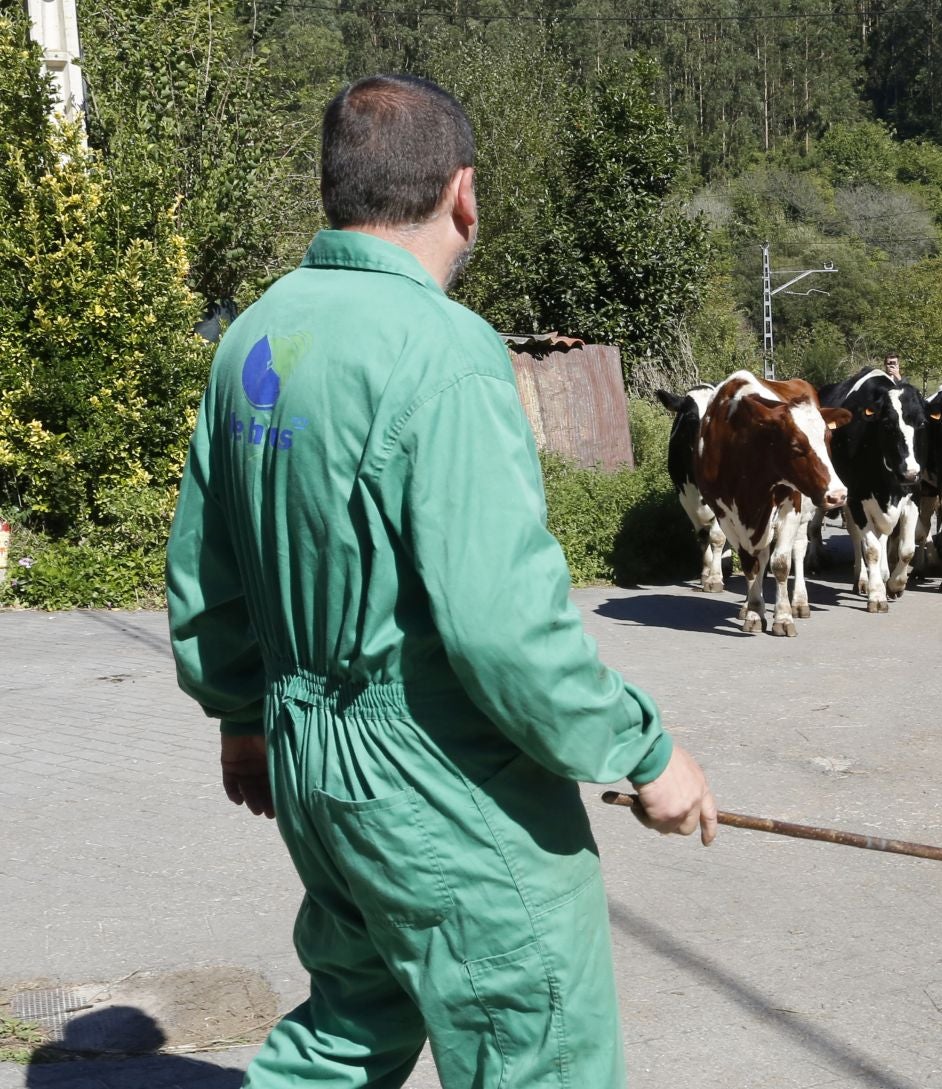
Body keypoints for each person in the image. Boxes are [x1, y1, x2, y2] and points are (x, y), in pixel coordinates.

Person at [165, 74, 717, 1088]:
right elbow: (504, 630)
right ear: (462, 194)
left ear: (334, 189)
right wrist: (645, 751)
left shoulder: (255, 336)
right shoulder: (444, 353)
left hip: (309, 763)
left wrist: (244, 714)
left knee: (350, 1027)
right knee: (538, 1044)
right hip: (437, 780)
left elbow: (211, 568)